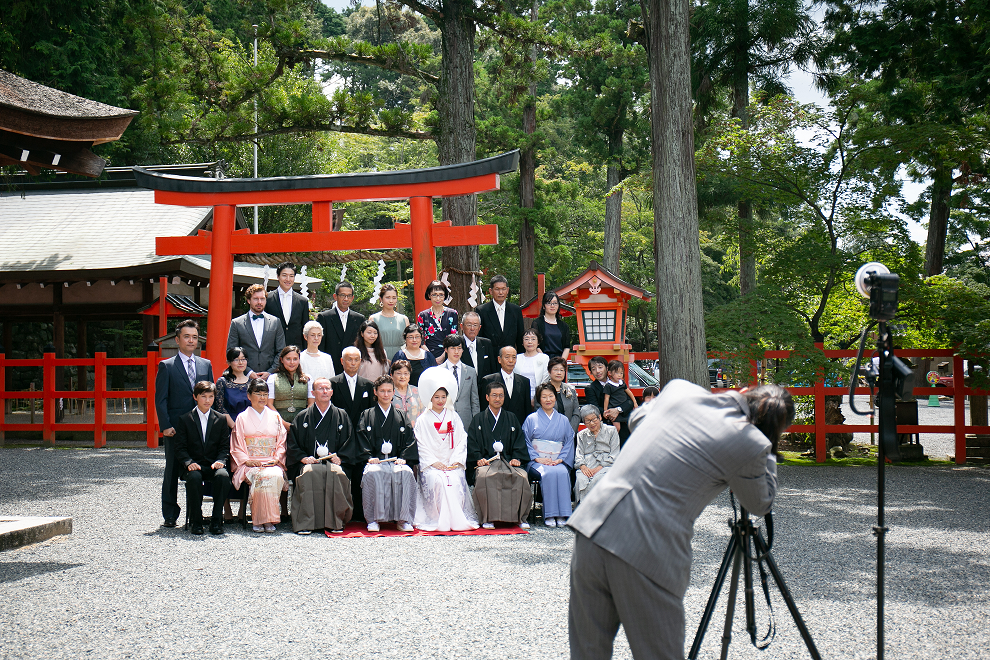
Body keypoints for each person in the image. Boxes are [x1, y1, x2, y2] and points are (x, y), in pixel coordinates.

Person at [567, 381, 793, 660]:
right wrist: (768, 445)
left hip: (593, 522)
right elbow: (760, 502)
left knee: (588, 653)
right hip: (648, 546)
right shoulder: (751, 442)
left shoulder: (680, 392)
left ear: (744, 392)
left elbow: (637, 420)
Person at [154, 319, 215, 528]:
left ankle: (199, 513)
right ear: (178, 339)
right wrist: (165, 425)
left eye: (195, 337)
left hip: (200, 427)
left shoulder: (205, 365)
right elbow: (160, 399)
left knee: (198, 468)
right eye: (187, 337)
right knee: (172, 469)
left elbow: (210, 396)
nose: (191, 340)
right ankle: (170, 513)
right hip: (176, 428)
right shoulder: (167, 366)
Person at [412, 367, 479, 531]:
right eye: (437, 397)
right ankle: (436, 518)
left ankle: (456, 519)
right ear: (430, 398)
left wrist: (455, 460)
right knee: (438, 480)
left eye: (443, 397)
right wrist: (434, 462)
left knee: (454, 480)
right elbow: (421, 444)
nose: (440, 400)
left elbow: (461, 439)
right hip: (433, 463)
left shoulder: (453, 416)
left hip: (451, 461)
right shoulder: (423, 419)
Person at [286, 377, 355, 535]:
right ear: (313, 392)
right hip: (310, 462)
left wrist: (341, 457)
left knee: (336, 473)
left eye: (327, 389)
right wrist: (303, 458)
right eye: (320, 389)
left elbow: (350, 442)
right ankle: (305, 522)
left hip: (333, 463)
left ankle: (335, 521)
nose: (324, 391)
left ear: (331, 392)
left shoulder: (341, 415)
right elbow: (293, 443)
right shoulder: (302, 416)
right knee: (309, 472)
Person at [356, 375, 418, 532]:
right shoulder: (367, 415)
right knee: (372, 474)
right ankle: (373, 519)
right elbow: (361, 437)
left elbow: (410, 440)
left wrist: (404, 458)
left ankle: (403, 520)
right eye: (382, 391)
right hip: (376, 461)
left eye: (389, 391)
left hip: (396, 460)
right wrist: (369, 457)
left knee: (406, 473)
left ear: (393, 392)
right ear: (375, 392)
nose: (385, 394)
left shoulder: (401, 415)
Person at [467, 381, 532, 529]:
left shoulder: (511, 418)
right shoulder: (478, 419)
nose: (498, 399)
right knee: (484, 477)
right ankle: (488, 517)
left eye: (501, 396)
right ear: (487, 397)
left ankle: (518, 518)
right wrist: (478, 458)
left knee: (521, 476)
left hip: (508, 461)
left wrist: (517, 458)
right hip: (487, 462)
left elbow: (519, 442)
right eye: (494, 395)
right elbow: (472, 443)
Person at [230, 378, 288, 533]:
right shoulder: (242, 417)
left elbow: (281, 440)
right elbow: (237, 443)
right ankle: (259, 519)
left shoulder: (275, 416)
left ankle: (269, 519)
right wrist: (246, 460)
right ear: (249, 396)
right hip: (250, 462)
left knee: (274, 475)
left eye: (265, 394)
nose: (262, 397)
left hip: (271, 461)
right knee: (260, 477)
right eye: (258, 393)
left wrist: (277, 457)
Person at [173, 381, 231, 535]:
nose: (207, 400)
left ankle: (216, 520)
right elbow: (180, 448)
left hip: (213, 464)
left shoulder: (221, 419)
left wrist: (221, 460)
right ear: (195, 397)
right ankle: (196, 521)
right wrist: (188, 462)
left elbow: (225, 447)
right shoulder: (185, 419)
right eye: (203, 396)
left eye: (211, 396)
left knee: (223, 477)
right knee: (194, 477)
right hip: (194, 465)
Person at [330, 345, 376, 520]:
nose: (353, 363)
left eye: (356, 359)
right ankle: (342, 512)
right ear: (342, 361)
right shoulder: (333, 384)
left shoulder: (368, 385)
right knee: (344, 474)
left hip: (361, 437)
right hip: (340, 438)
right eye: (349, 359)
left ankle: (360, 512)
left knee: (360, 473)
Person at [524, 383, 576, 528]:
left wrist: (561, 459)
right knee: (547, 474)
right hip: (538, 460)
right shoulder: (531, 419)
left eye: (551, 396)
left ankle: (563, 513)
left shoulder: (563, 420)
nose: (548, 399)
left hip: (557, 460)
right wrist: (537, 458)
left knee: (562, 472)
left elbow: (568, 441)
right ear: (539, 400)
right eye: (544, 397)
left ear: (555, 397)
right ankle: (550, 514)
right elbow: (525, 441)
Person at [227, 284, 285, 379]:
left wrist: (270, 372)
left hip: (271, 377)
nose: (259, 302)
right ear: (248, 300)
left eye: (262, 299)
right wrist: (248, 372)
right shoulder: (237, 323)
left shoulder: (275, 322)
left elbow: (281, 351)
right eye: (255, 299)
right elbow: (231, 351)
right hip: (243, 376)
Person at [316, 281, 366, 375]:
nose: (346, 299)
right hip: (331, 366)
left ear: (352, 298)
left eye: (349, 296)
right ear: (335, 296)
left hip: (352, 368)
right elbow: (320, 345)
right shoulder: (324, 317)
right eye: (342, 295)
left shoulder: (359, 319)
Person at [572, 405, 620, 503]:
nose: (592, 423)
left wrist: (599, 467)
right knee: (581, 480)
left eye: (594, 419)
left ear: (600, 417)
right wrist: (583, 467)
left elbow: (615, 454)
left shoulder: (611, 431)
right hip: (587, 466)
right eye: (588, 421)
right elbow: (579, 455)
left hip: (606, 465)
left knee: (598, 479)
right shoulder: (581, 435)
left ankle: (595, 512)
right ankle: (582, 512)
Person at [481, 346, 532, 426]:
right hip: (495, 426)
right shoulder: (488, 380)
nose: (511, 361)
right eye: (507, 357)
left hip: (517, 427)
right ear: (499, 359)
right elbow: (484, 408)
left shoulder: (524, 381)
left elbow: (527, 409)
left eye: (514, 357)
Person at [264, 261, 310, 349]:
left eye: (291, 276)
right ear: (278, 276)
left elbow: (305, 329)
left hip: (296, 349)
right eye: (284, 275)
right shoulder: (267, 299)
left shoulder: (302, 301)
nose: (288, 279)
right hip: (273, 348)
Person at [266, 345, 314, 429]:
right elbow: (269, 404)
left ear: (299, 360)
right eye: (288, 359)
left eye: (295, 359)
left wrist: (301, 421)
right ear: (281, 360)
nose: (292, 362)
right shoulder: (273, 378)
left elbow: (311, 403)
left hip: (302, 422)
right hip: (278, 421)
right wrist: (283, 423)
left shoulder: (308, 378)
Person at [476, 275, 525, 353]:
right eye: (497, 289)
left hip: (510, 358)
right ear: (491, 291)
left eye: (503, 289)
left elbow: (520, 338)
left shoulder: (516, 310)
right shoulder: (482, 311)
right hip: (490, 357)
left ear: (507, 290)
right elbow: (479, 338)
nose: (501, 292)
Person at [441, 334, 479, 428]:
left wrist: (476, 421)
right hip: (444, 418)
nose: (456, 352)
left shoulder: (471, 371)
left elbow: (474, 399)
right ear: (446, 350)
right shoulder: (439, 371)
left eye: (459, 348)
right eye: (453, 348)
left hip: (466, 420)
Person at [416, 279, 459, 359]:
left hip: (448, 355)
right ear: (429, 295)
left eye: (441, 295)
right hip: (427, 355)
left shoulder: (452, 313)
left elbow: (454, 337)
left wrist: (442, 357)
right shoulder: (422, 315)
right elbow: (420, 340)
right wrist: (430, 356)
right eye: (434, 295)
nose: (438, 298)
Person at [214, 347, 252, 429]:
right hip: (229, 425)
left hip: (250, 425)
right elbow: (220, 408)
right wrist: (234, 427)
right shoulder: (223, 382)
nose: (240, 362)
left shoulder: (252, 383)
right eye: (236, 360)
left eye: (243, 359)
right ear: (229, 363)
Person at [370, 283, 410, 360]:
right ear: (381, 299)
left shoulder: (404, 319)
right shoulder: (373, 318)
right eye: (388, 297)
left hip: (400, 358)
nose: (391, 301)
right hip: (379, 357)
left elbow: (408, 342)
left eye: (394, 298)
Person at [457, 311, 497, 388]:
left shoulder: (486, 344)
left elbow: (493, 370)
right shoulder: (456, 344)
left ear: (479, 328)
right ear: (462, 326)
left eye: (475, 325)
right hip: (464, 391)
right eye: (469, 325)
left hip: (484, 391)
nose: (472, 328)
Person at [602, 360, 638, 444]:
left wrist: (635, 402)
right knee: (616, 428)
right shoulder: (608, 385)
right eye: (617, 373)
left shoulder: (622, 383)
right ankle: (613, 442)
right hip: (614, 407)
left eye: (621, 373)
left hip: (624, 408)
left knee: (630, 425)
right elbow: (606, 398)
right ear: (610, 373)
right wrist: (605, 410)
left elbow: (629, 392)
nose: (619, 375)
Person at [545, 356, 581, 436]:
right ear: (549, 371)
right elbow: (541, 413)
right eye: (556, 370)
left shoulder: (570, 390)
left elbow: (576, 412)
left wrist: (570, 431)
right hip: (550, 435)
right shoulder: (542, 390)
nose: (559, 373)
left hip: (570, 434)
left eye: (562, 370)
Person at [533, 292, 571, 359]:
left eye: (555, 303)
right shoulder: (537, 323)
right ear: (544, 306)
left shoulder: (564, 326)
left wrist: (561, 362)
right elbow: (535, 345)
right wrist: (545, 360)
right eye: (549, 303)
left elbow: (566, 347)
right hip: (542, 360)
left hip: (559, 361)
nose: (552, 306)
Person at [515, 329, 549, 403]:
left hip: (539, 396)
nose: (530, 342)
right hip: (519, 397)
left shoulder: (544, 358)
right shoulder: (517, 358)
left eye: (533, 339)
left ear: (538, 342)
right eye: (526, 339)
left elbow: (545, 379)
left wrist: (536, 398)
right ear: (522, 342)